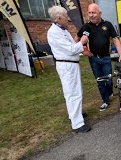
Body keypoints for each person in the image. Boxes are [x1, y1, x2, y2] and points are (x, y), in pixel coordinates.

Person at [47, 5, 91, 133]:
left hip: (71, 64)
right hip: (66, 66)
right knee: (72, 93)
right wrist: (82, 42)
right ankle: (77, 124)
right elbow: (71, 49)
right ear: (59, 18)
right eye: (66, 17)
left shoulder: (63, 29)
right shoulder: (54, 32)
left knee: (76, 91)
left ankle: (75, 115)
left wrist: (82, 49)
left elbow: (72, 46)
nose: (68, 19)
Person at [76, 3, 121, 111]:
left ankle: (109, 92)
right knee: (99, 81)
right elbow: (77, 38)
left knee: (108, 80)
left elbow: (116, 40)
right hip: (93, 59)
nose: (91, 15)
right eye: (89, 13)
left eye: (93, 12)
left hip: (106, 58)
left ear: (99, 13)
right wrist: (84, 51)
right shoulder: (86, 27)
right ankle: (105, 101)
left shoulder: (107, 25)